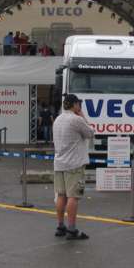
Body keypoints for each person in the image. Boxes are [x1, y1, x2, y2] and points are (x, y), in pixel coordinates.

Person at [52, 94, 94, 240]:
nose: (80, 106)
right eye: (79, 104)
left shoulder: (58, 119)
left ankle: (60, 226)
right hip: (74, 164)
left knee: (61, 195)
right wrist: (82, 115)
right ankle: (72, 229)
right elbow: (90, 133)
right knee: (73, 196)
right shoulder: (76, 119)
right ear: (74, 104)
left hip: (59, 163)